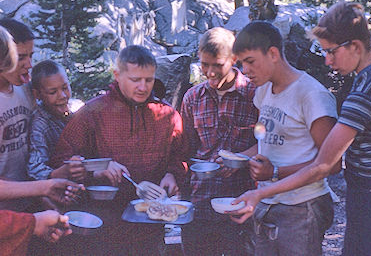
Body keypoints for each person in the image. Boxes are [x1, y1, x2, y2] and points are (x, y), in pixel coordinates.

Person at [232, 2, 371, 256]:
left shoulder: (366, 88)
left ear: (355, 47)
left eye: (331, 52)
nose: (327, 61)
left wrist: (264, 189)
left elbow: (325, 164)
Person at [50, 45, 187, 255]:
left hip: (151, 216)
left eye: (148, 80)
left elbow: (180, 155)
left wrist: (172, 174)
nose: (143, 87)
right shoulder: (93, 112)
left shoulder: (167, 115)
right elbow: (63, 160)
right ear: (117, 75)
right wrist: (99, 168)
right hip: (104, 216)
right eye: (135, 80)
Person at [224, 21, 338, 256]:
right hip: (268, 203)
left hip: (303, 206)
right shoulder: (263, 91)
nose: (245, 70)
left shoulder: (312, 95)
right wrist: (236, 159)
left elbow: (331, 163)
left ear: (273, 53)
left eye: (250, 62)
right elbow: (269, 141)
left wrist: (274, 172)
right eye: (241, 63)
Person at [180, 27, 258, 256]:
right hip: (200, 200)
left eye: (217, 65)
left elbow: (269, 142)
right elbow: (185, 148)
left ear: (234, 59)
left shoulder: (255, 94)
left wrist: (242, 158)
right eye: (205, 65)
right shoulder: (193, 97)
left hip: (241, 201)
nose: (210, 72)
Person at [27, 60, 85, 182]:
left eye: (65, 87)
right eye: (53, 92)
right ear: (37, 94)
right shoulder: (39, 125)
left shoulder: (76, 108)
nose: (63, 96)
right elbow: (35, 170)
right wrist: (61, 172)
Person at [0, 19, 35, 211]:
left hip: (27, 201)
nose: (28, 64)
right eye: (20, 57)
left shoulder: (26, 90)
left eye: (31, 55)